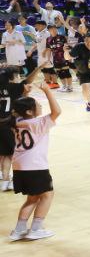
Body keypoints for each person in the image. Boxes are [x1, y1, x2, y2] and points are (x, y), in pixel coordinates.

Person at [6, 83, 61, 241]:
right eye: (38, 105)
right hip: (36, 166)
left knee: (32, 198)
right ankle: (36, 229)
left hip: (19, 166)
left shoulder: (16, 122)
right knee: (47, 195)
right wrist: (47, 90)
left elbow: (18, 109)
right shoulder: (38, 123)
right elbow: (57, 111)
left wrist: (24, 93)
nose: (40, 106)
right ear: (30, 111)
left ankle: (19, 230)